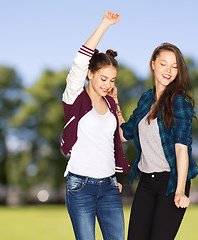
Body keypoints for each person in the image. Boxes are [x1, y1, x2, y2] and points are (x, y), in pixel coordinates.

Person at [110, 42, 198, 240]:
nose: (169, 70)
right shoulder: (146, 99)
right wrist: (114, 101)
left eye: (174, 66)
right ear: (153, 64)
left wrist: (180, 190)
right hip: (146, 182)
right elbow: (125, 134)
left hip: (171, 181)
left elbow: (181, 149)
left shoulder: (180, 102)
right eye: (163, 64)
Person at [60, 10, 131, 240]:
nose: (107, 84)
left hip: (110, 186)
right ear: (90, 74)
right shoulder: (75, 98)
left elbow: (124, 136)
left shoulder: (110, 103)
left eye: (112, 80)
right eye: (103, 78)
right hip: (80, 186)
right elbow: (80, 60)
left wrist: (117, 101)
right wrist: (104, 25)